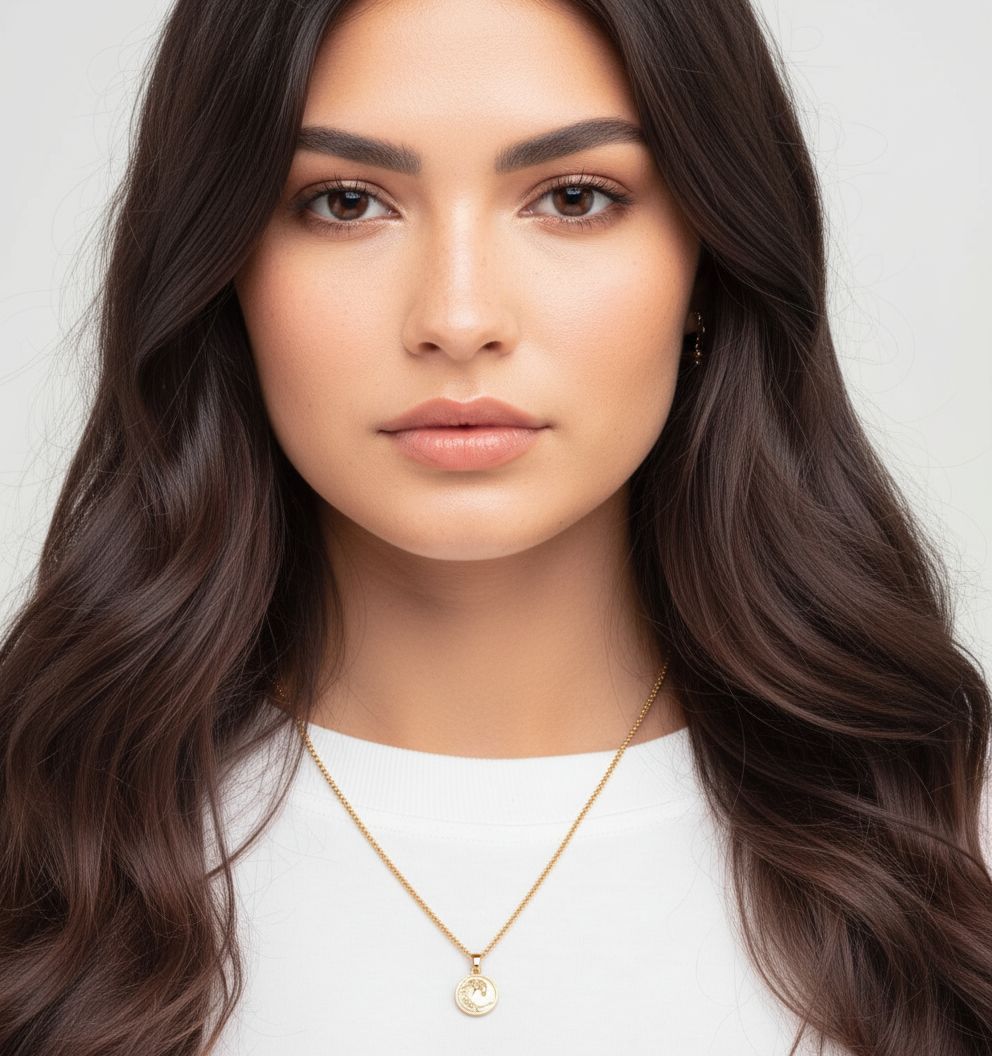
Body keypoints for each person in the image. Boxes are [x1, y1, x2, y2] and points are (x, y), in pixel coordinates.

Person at [1, 0, 990, 1053]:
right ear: (222, 269)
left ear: (709, 262)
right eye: (345, 202)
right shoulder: (45, 841)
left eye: (573, 198)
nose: (458, 318)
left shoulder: (947, 849)